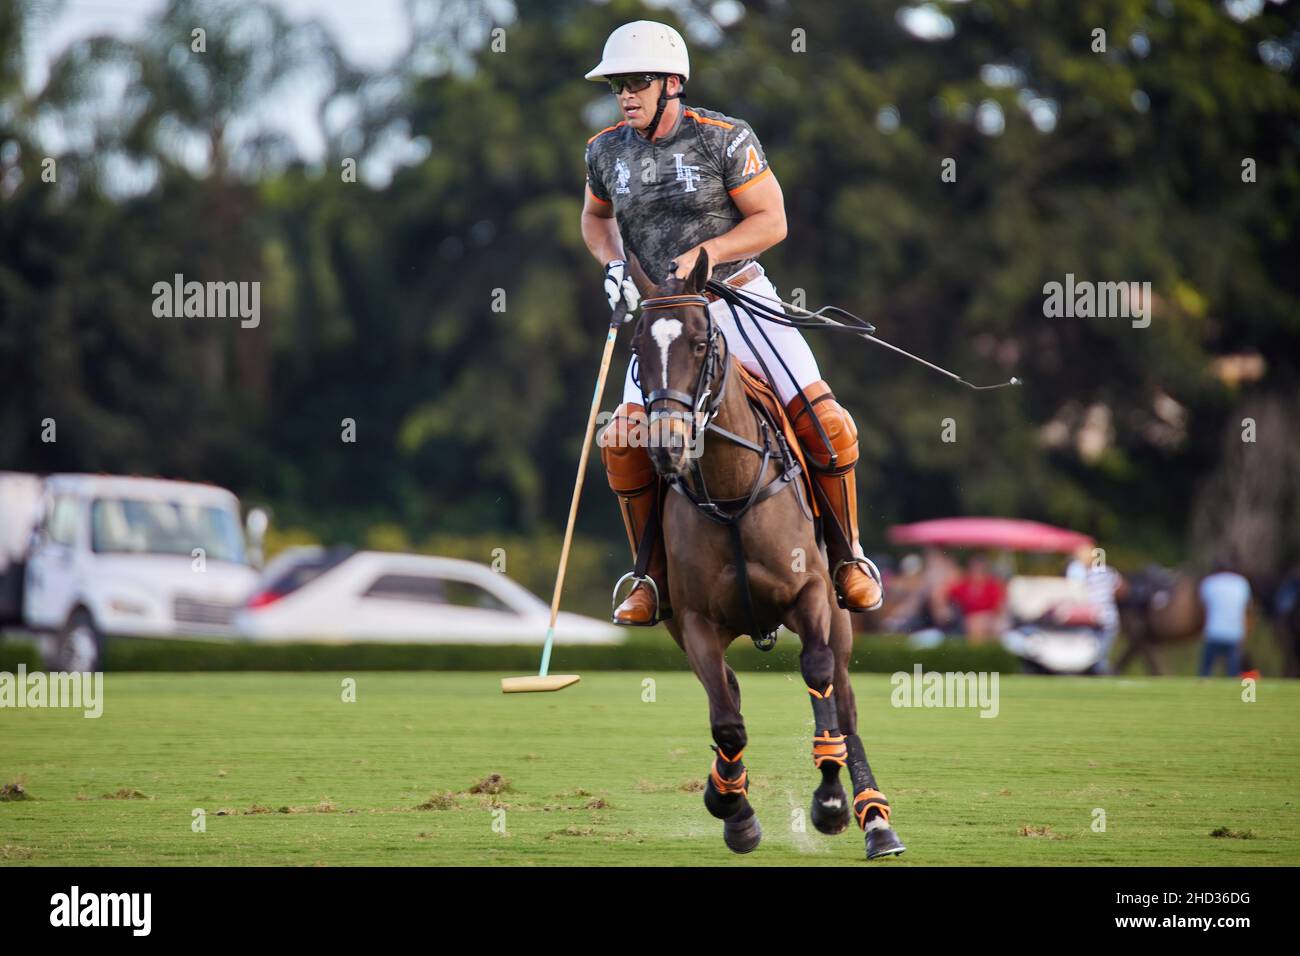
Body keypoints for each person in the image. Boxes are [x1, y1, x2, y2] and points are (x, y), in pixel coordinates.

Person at [580, 20, 882, 624]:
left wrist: (708, 254)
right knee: (624, 439)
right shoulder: (605, 149)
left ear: (672, 83)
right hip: (665, 320)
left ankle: (848, 557)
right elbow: (595, 218)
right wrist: (613, 263)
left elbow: (773, 220)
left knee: (827, 422)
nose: (626, 96)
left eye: (637, 82)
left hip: (739, 300)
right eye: (618, 85)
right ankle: (651, 578)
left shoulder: (724, 138)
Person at [1065, 544, 1123, 674]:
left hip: (1096, 620)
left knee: (1096, 657)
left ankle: (1103, 671)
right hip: (1105, 620)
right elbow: (1121, 588)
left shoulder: (1081, 574)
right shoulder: (1106, 572)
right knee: (1097, 655)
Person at [1198, 556, 1252, 677]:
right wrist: (1244, 633)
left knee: (1205, 673)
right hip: (1234, 634)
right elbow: (1246, 610)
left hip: (1213, 633)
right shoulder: (1241, 583)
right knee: (1232, 673)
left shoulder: (1209, 583)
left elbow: (1204, 608)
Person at [945, 555, 1005, 644]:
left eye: (980, 569)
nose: (977, 572)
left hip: (989, 619)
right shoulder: (964, 584)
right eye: (975, 569)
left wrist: (988, 618)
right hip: (966, 620)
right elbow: (946, 594)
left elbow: (1000, 606)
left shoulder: (992, 585)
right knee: (975, 625)